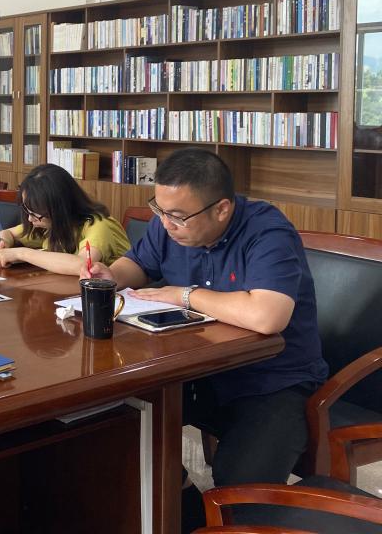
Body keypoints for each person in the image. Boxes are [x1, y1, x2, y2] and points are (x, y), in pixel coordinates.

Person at [81, 148, 327, 525]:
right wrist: (112, 275)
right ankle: (186, 512)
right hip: (199, 371)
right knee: (119, 426)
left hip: (274, 380)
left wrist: (184, 295)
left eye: (177, 216)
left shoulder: (267, 231)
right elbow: (138, 264)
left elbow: (267, 316)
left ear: (222, 209)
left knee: (239, 485)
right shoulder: (171, 223)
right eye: (159, 210)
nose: (166, 224)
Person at [0, 163, 130, 272]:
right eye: (27, 210)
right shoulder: (48, 223)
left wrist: (21, 254)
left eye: (36, 214)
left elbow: (83, 265)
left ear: (59, 209)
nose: (30, 219)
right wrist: (2, 243)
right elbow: (8, 233)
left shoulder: (99, 225)